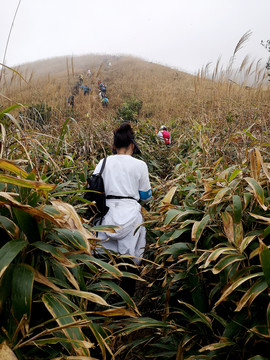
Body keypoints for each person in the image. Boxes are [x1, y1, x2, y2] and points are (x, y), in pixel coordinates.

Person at [93, 122, 152, 294]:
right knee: (129, 260)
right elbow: (146, 196)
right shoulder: (140, 165)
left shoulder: (103, 163)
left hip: (106, 216)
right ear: (132, 145)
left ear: (114, 146)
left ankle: (104, 297)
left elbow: (93, 189)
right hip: (131, 216)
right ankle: (127, 301)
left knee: (105, 258)